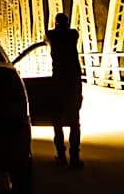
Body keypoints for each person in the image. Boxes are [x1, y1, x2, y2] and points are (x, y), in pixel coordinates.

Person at [44, 12, 84, 168]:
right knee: (74, 120)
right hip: (73, 81)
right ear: (67, 23)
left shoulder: (51, 35)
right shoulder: (73, 34)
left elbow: (46, 38)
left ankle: (61, 154)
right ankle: (74, 156)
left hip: (58, 80)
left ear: (55, 23)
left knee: (57, 119)